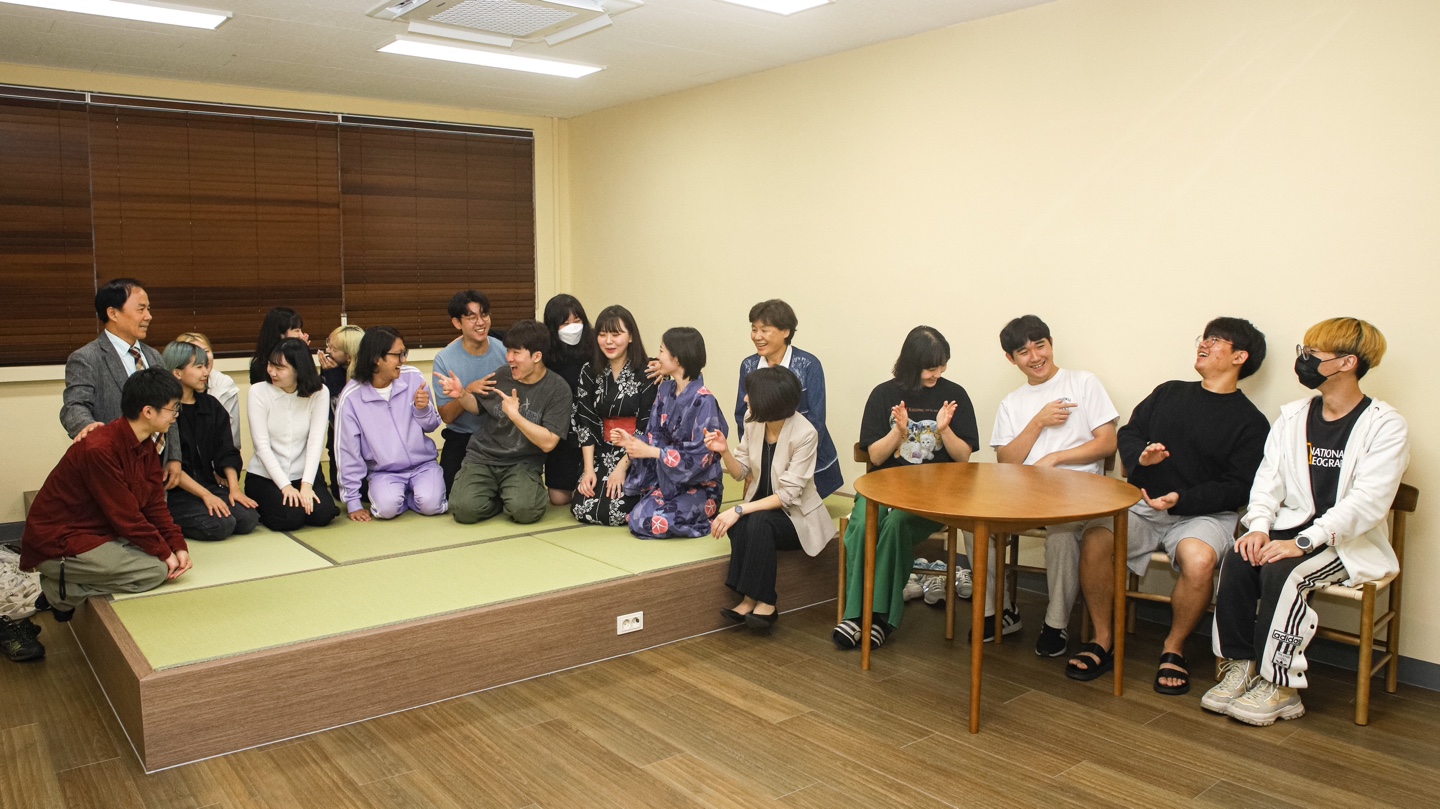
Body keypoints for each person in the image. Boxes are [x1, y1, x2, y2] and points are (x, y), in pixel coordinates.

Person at [1205, 318, 1408, 726]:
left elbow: (1367, 503)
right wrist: (1258, 527)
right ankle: (1241, 665)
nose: (1303, 360)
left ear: (1347, 362)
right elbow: (1268, 482)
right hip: (1289, 528)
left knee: (1285, 572)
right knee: (1238, 557)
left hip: (1343, 541)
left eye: (1313, 354)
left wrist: (1302, 542)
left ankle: (1280, 686)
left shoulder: (1385, 425)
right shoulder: (1293, 417)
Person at [1066, 317, 1270, 696]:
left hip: (1203, 515)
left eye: (1215, 340)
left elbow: (1239, 488)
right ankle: (1103, 638)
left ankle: (1173, 648)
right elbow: (1130, 432)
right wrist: (1141, 459)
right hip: (1143, 507)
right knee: (1095, 538)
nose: (1204, 344)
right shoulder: (1169, 392)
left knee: (1199, 560)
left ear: (1240, 357)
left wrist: (1182, 499)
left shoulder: (1251, 423)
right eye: (1204, 337)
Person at [831, 326, 978, 651]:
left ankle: (877, 618)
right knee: (862, 525)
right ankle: (858, 616)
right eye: (930, 368)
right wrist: (898, 431)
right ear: (910, 365)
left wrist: (944, 429)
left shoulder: (955, 395)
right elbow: (875, 456)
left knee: (896, 524)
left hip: (934, 497)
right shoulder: (883, 395)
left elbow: (963, 458)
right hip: (882, 489)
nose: (937, 373)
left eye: (942, 365)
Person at [23, 368, 193, 630]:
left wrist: (177, 546)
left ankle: (66, 584)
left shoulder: (146, 444)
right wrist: (164, 553)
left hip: (102, 532)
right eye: (173, 408)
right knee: (155, 571)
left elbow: (154, 505)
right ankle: (59, 590)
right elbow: (126, 517)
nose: (176, 415)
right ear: (148, 412)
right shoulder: (100, 448)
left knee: (157, 557)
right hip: (60, 542)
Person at [987, 315, 1118, 654]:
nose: (1035, 357)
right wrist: (1038, 422)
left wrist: (1056, 458)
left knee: (1062, 534)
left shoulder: (1083, 382)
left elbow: (1107, 443)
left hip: (1077, 494)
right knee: (976, 525)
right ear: (1011, 359)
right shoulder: (1012, 402)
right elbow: (1006, 461)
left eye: (1040, 346)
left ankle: (1056, 623)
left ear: (1051, 344)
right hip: (1024, 495)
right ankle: (998, 612)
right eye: (1023, 352)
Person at [706, 366, 836, 633]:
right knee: (743, 524)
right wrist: (724, 451)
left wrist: (739, 509)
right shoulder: (753, 421)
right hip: (762, 509)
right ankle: (750, 600)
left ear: (769, 401)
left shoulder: (805, 434)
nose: (745, 399)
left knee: (756, 521)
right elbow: (741, 472)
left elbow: (787, 496)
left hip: (797, 517)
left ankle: (765, 602)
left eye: (750, 394)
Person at [441, 320, 572, 525]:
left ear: (537, 356)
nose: (509, 357)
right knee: (463, 510)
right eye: (508, 350)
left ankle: (511, 496)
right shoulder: (503, 374)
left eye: (516, 352)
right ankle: (499, 500)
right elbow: (477, 407)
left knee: (525, 512)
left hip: (523, 461)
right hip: (483, 456)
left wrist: (515, 416)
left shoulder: (558, 389)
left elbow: (548, 443)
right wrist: (462, 395)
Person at [60, 278, 181, 488]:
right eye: (141, 309)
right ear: (113, 313)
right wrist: (91, 430)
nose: (148, 316)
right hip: (115, 464)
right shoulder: (87, 358)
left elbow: (169, 407)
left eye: (149, 309)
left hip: (157, 463)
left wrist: (174, 456)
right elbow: (74, 406)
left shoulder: (153, 356)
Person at [615, 327, 729, 539]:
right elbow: (654, 434)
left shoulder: (705, 400)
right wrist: (631, 441)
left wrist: (655, 452)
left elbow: (700, 456)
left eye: (662, 351)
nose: (658, 357)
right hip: (670, 482)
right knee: (636, 518)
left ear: (677, 358)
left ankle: (707, 520)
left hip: (700, 486)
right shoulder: (665, 390)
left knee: (653, 521)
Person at [734, 299, 843, 498]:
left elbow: (817, 419)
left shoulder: (808, 364)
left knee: (799, 506)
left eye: (764, 330)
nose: (757, 336)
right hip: (763, 452)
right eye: (754, 329)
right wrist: (750, 463)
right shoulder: (749, 366)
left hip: (802, 452)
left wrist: (792, 459)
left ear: (786, 331)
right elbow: (743, 415)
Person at [335, 327, 446, 521]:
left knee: (432, 505)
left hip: (423, 465)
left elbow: (432, 425)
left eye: (404, 353)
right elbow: (347, 451)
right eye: (397, 355)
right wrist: (353, 502)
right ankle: (402, 496)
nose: (403, 360)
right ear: (376, 358)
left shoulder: (414, 377)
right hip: (384, 472)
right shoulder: (351, 397)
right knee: (386, 510)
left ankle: (412, 496)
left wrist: (423, 410)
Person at [160, 341, 260, 541]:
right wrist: (206, 496)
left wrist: (234, 490)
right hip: (177, 492)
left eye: (206, 366)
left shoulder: (211, 405)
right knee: (221, 525)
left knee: (248, 518)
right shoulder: (164, 410)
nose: (206, 372)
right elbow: (169, 465)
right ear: (177, 372)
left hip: (208, 483)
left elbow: (227, 451)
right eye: (199, 367)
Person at [569, 305, 657, 526]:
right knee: (582, 507)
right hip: (602, 450)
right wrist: (588, 470)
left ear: (630, 337)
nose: (608, 341)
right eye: (602, 334)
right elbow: (586, 422)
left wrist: (622, 467)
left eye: (616, 334)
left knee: (616, 511)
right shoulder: (589, 371)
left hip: (637, 452)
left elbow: (648, 424)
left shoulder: (648, 371)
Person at [245, 337, 339, 531]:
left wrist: (307, 485)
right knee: (291, 518)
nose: (272, 372)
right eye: (271, 365)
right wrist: (285, 486)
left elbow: (315, 442)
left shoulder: (320, 392)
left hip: (302, 473)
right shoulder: (258, 392)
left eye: (280, 368)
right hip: (266, 476)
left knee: (323, 514)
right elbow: (262, 446)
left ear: (299, 370)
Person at [431, 291, 506, 495]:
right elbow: (447, 416)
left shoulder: (505, 351)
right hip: (462, 437)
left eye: (484, 314)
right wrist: (467, 391)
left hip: (500, 435)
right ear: (457, 323)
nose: (480, 322)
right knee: (450, 494)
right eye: (472, 317)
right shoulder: (445, 360)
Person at [541, 295, 594, 506]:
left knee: (587, 497)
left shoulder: (596, 348)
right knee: (559, 499)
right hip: (561, 433)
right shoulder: (545, 354)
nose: (572, 327)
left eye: (577, 320)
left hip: (591, 430)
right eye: (565, 323)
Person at [319, 324, 364, 499]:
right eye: (328, 345)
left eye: (334, 349)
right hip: (336, 433)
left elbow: (347, 411)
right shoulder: (331, 367)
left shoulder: (364, 375)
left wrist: (334, 378)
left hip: (362, 437)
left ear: (349, 356)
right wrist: (329, 375)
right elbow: (329, 408)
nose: (328, 351)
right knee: (339, 494)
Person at [175, 332, 241, 447]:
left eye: (206, 351)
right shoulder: (169, 395)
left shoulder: (224, 385)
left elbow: (232, 441)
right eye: (196, 353)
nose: (203, 358)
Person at [248, 307, 308, 385]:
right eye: (297, 331)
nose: (301, 335)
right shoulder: (260, 366)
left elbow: (311, 385)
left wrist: (303, 354)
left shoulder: (299, 354)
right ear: (280, 334)